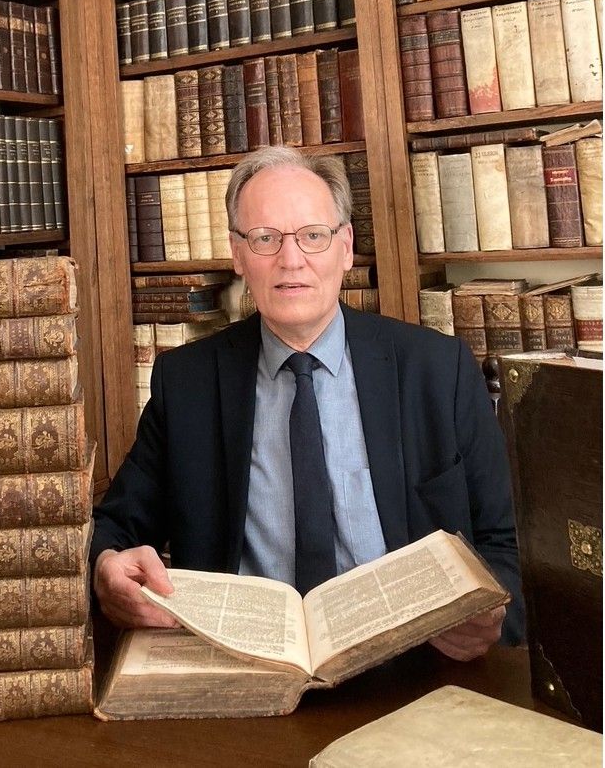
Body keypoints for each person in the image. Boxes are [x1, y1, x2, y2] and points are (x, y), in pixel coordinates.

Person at [91, 146, 525, 659]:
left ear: (346, 247)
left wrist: (492, 616)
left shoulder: (438, 370)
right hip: (245, 667)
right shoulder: (186, 383)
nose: (291, 259)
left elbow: (508, 547)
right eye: (265, 238)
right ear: (237, 255)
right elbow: (113, 530)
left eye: (313, 236)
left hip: (413, 669)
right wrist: (106, 570)